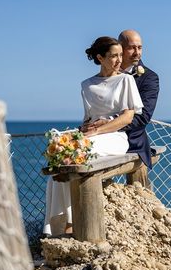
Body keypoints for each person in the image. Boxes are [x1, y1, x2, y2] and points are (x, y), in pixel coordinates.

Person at [43, 36, 143, 236]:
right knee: (59, 163)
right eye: (113, 56)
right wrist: (83, 131)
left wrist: (97, 131)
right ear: (100, 57)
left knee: (76, 154)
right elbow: (88, 118)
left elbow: (127, 118)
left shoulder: (126, 80)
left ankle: (69, 225)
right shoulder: (87, 85)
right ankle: (60, 225)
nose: (118, 60)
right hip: (91, 136)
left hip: (115, 137)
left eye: (120, 55)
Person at [84, 29, 160, 169]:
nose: (137, 52)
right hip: (99, 134)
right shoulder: (99, 78)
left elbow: (143, 116)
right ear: (120, 48)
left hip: (131, 138)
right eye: (131, 48)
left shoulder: (149, 78)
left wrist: (108, 124)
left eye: (140, 47)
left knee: (84, 150)